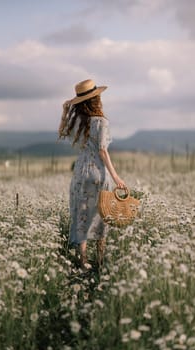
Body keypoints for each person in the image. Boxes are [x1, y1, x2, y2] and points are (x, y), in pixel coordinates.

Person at [58, 79, 126, 270]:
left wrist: (65, 113)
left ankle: (83, 260)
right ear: (96, 99)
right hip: (98, 173)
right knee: (101, 214)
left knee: (82, 215)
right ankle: (101, 260)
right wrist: (116, 177)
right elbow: (103, 151)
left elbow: (61, 132)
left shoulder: (76, 121)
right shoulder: (101, 121)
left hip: (80, 172)